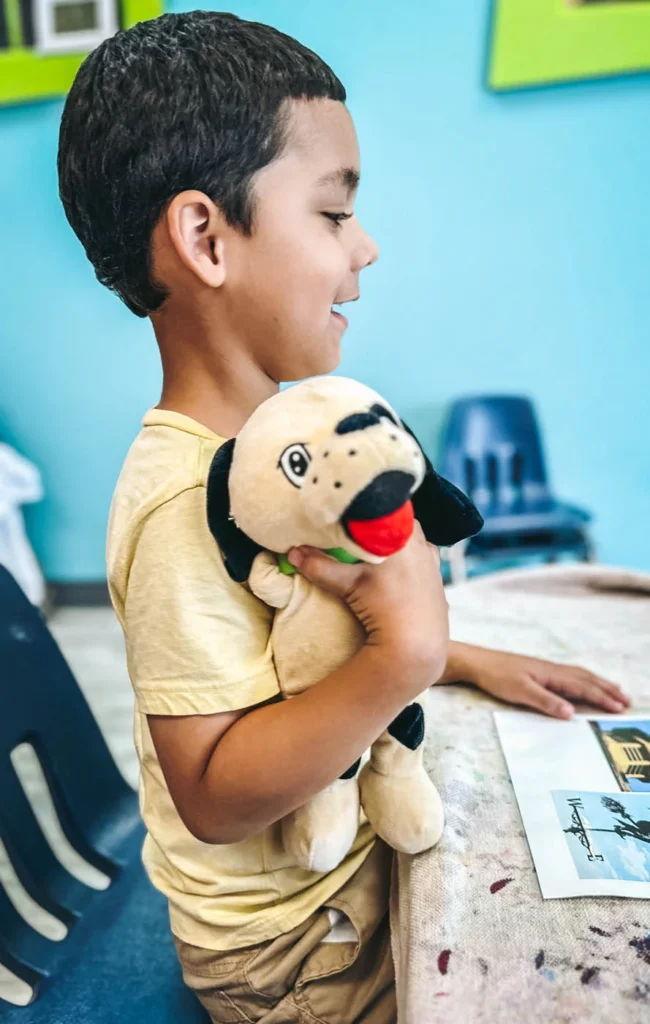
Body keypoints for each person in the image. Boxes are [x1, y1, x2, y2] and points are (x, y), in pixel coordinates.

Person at [57, 12, 630, 1022]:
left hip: (328, 897)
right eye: (331, 215)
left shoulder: (283, 454)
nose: (364, 246)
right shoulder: (182, 499)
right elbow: (214, 792)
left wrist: (459, 656)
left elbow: (303, 637)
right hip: (288, 961)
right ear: (204, 237)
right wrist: (400, 659)